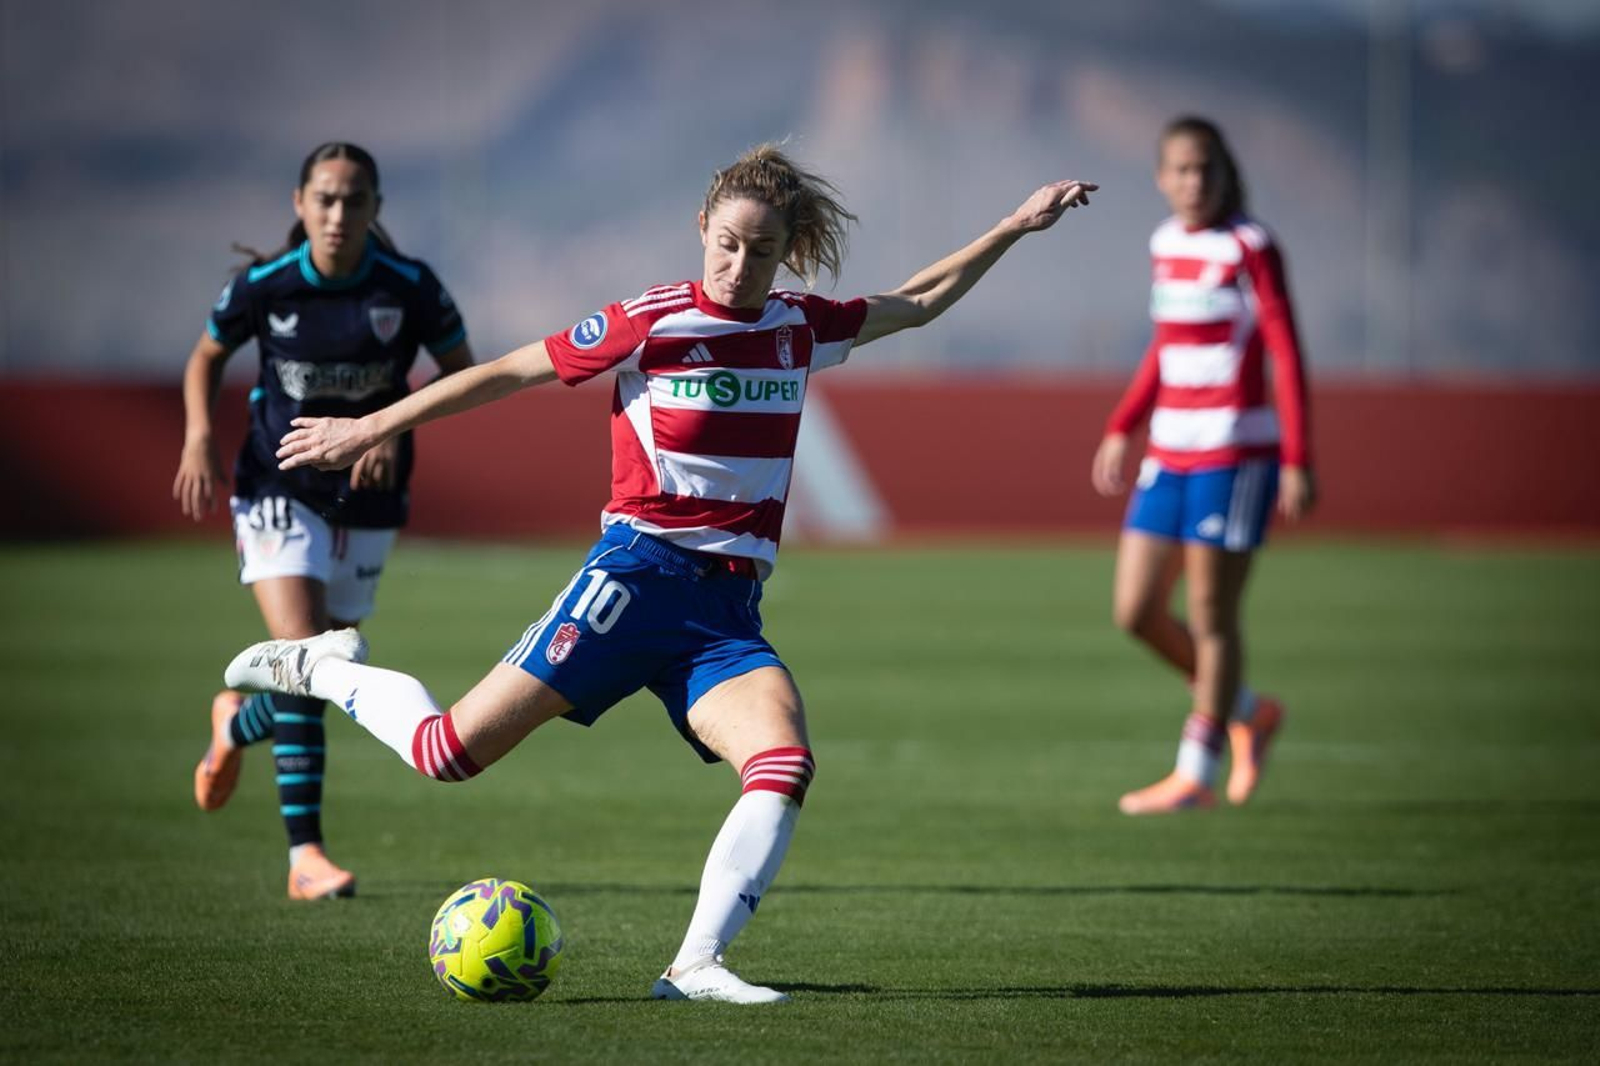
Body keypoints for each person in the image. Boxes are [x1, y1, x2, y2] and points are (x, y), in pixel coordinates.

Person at [221, 144, 1095, 1001]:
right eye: (727, 243)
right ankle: (322, 666)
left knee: (783, 763)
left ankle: (694, 967)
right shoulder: (652, 321)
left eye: (761, 250)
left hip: (726, 611)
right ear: (702, 227)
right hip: (634, 581)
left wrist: (1014, 226)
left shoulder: (799, 328)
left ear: (785, 250)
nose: (739, 266)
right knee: (446, 754)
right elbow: (508, 371)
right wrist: (371, 427)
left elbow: (919, 301)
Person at [174, 142, 475, 898]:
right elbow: (206, 357)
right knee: (309, 655)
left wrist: (391, 429)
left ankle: (236, 725)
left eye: (354, 200)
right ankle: (305, 857)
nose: (339, 214)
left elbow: (462, 373)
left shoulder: (410, 286)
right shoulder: (264, 285)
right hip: (276, 486)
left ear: (376, 209)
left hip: (370, 495)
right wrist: (199, 434)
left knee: (323, 678)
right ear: (300, 204)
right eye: (326, 199)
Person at [1091, 116, 1314, 815]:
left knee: (1212, 615)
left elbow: (1285, 351)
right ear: (1162, 178)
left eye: (1206, 169)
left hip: (1235, 453)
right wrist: (1123, 425)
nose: (1194, 182)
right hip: (1170, 450)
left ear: (1225, 174)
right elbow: (1165, 346)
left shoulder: (1251, 246)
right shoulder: (1164, 243)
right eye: (1182, 170)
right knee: (1135, 610)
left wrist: (1298, 457)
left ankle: (1196, 773)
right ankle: (1250, 711)